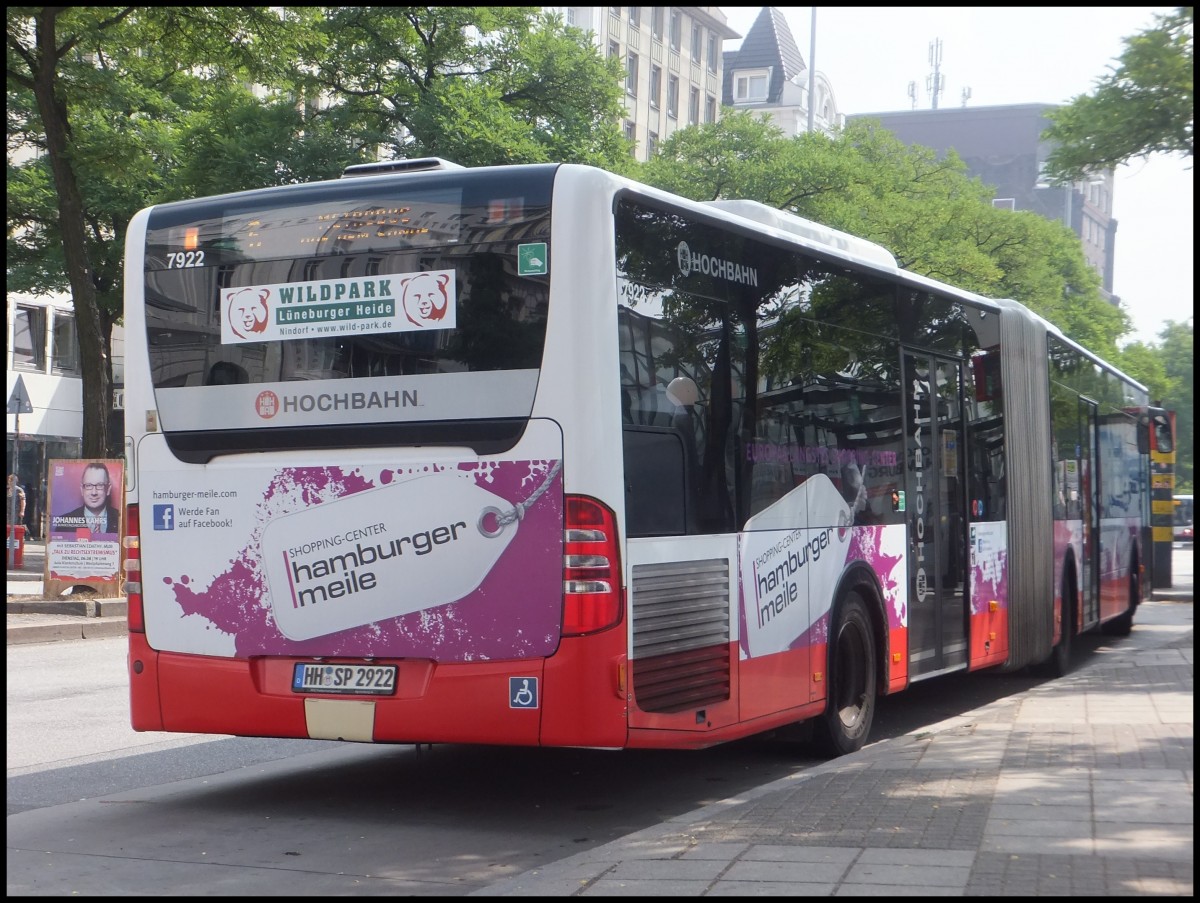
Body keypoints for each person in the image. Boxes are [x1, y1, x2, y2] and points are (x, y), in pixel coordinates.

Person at [56, 462, 120, 535]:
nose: (94, 492)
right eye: (88, 485)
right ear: (82, 490)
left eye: (100, 485)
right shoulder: (63, 523)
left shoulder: (121, 519)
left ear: (108, 489)